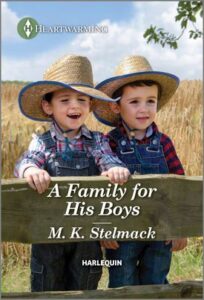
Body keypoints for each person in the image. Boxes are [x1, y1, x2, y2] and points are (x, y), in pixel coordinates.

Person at [14, 54, 130, 291]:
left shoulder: (96, 141)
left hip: (87, 232)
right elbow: (25, 161)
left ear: (89, 105)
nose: (74, 106)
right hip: (49, 233)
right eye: (65, 100)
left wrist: (115, 169)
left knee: (84, 283)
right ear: (48, 106)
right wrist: (30, 170)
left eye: (81, 99)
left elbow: (106, 158)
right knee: (48, 282)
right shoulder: (42, 142)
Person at [93, 55, 187, 287]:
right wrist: (104, 228)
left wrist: (179, 227)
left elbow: (180, 187)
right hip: (122, 233)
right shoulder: (108, 144)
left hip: (160, 231)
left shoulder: (164, 143)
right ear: (116, 106)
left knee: (156, 281)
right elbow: (98, 192)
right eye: (134, 102)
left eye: (150, 101)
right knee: (122, 282)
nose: (144, 109)